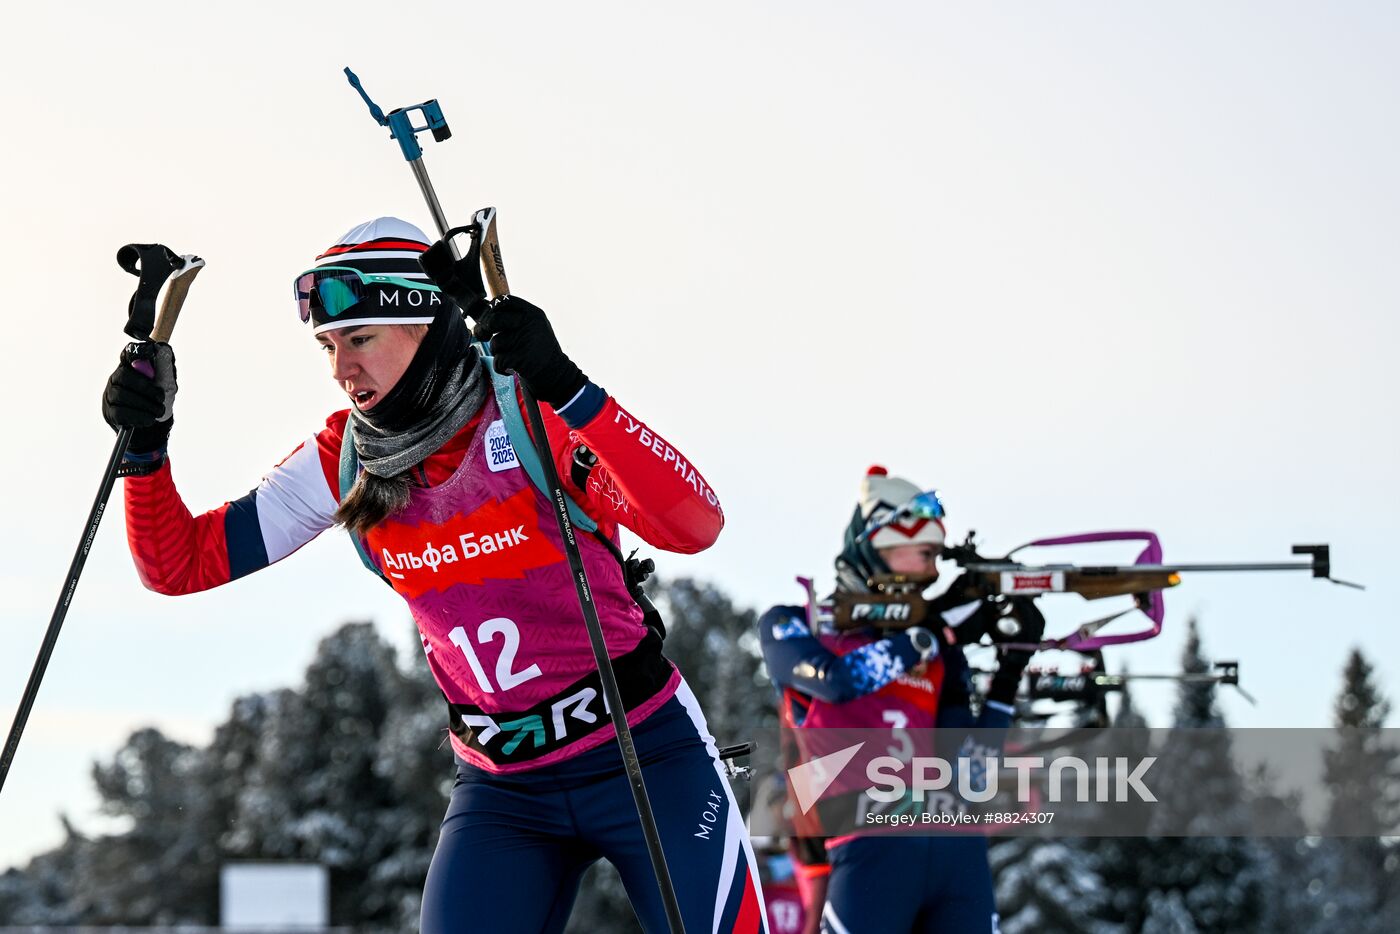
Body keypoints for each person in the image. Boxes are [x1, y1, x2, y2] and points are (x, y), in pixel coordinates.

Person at [102, 217, 768, 933]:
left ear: (425, 324)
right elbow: (178, 565)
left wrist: (568, 387)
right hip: (505, 793)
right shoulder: (346, 459)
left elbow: (694, 526)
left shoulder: (525, 413)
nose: (339, 368)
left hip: (646, 754)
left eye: (359, 339)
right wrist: (146, 448)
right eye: (327, 345)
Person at [758, 466, 1042, 934]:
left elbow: (970, 774)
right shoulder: (797, 623)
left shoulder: (937, 651)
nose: (934, 571)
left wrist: (1010, 672)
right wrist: (935, 634)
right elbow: (839, 681)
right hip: (868, 841)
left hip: (956, 848)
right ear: (877, 540)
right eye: (926, 553)